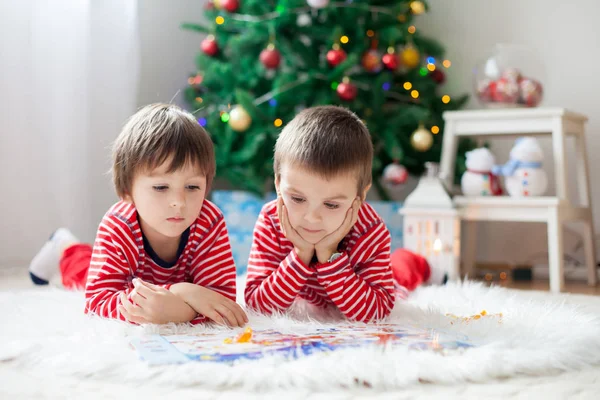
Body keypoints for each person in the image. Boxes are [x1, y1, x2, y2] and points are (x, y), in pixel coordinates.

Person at [29, 103, 247, 326]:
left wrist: (180, 310)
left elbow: (221, 302)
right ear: (127, 191)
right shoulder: (118, 225)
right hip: (119, 277)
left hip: (142, 288)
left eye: (192, 187)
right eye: (161, 187)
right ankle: (64, 245)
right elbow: (96, 303)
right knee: (81, 273)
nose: (179, 203)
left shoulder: (209, 221)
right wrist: (181, 292)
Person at [245, 105, 436, 323]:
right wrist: (300, 254)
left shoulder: (370, 231)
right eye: (298, 199)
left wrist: (329, 254)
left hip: (370, 281)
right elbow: (256, 305)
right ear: (278, 184)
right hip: (312, 290)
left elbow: (376, 313)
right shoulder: (272, 219)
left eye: (331, 205)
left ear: (360, 195)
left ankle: (416, 260)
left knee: (402, 273)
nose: (311, 218)